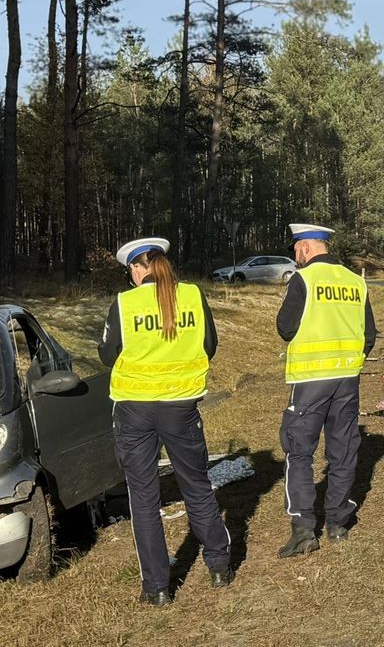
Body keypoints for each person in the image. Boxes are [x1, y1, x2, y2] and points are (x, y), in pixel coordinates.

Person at [99, 237, 232, 606]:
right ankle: (220, 566)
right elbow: (209, 345)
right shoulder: (192, 295)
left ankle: (157, 588)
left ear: (137, 268)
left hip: (134, 410)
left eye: (130, 270)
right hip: (181, 407)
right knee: (197, 486)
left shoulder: (125, 303)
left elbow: (108, 355)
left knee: (143, 498)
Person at [276, 223, 377, 558]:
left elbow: (285, 328)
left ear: (305, 247)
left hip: (310, 380)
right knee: (343, 449)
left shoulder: (304, 279)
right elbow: (369, 335)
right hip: (347, 377)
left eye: (296, 249)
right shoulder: (354, 281)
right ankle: (337, 523)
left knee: (299, 451)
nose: (296, 256)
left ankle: (304, 530)